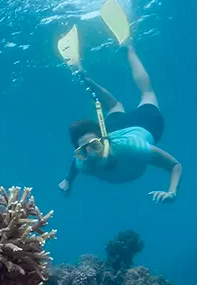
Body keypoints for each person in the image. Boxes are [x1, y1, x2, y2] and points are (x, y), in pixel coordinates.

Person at [59, 40, 181, 203]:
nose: (92, 154)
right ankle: (87, 79)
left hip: (144, 125)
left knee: (147, 93)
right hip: (117, 130)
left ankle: (129, 49)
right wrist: (68, 180)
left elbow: (174, 165)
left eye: (94, 145)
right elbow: (75, 163)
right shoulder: (84, 163)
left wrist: (172, 191)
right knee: (115, 106)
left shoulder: (135, 149)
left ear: (104, 139)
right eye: (83, 151)